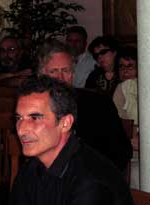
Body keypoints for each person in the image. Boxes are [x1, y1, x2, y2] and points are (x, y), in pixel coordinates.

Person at [5, 75, 136, 205]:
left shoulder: (90, 182)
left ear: (65, 123)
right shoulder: (30, 171)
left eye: (35, 118)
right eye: (19, 118)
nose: (21, 130)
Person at [36, 39, 132, 172]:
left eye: (65, 71)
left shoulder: (98, 104)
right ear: (42, 76)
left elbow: (121, 152)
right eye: (53, 72)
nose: (60, 78)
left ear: (73, 73)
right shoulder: (33, 108)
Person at [113, 46, 139, 150]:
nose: (125, 71)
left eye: (130, 66)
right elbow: (118, 120)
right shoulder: (120, 88)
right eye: (121, 67)